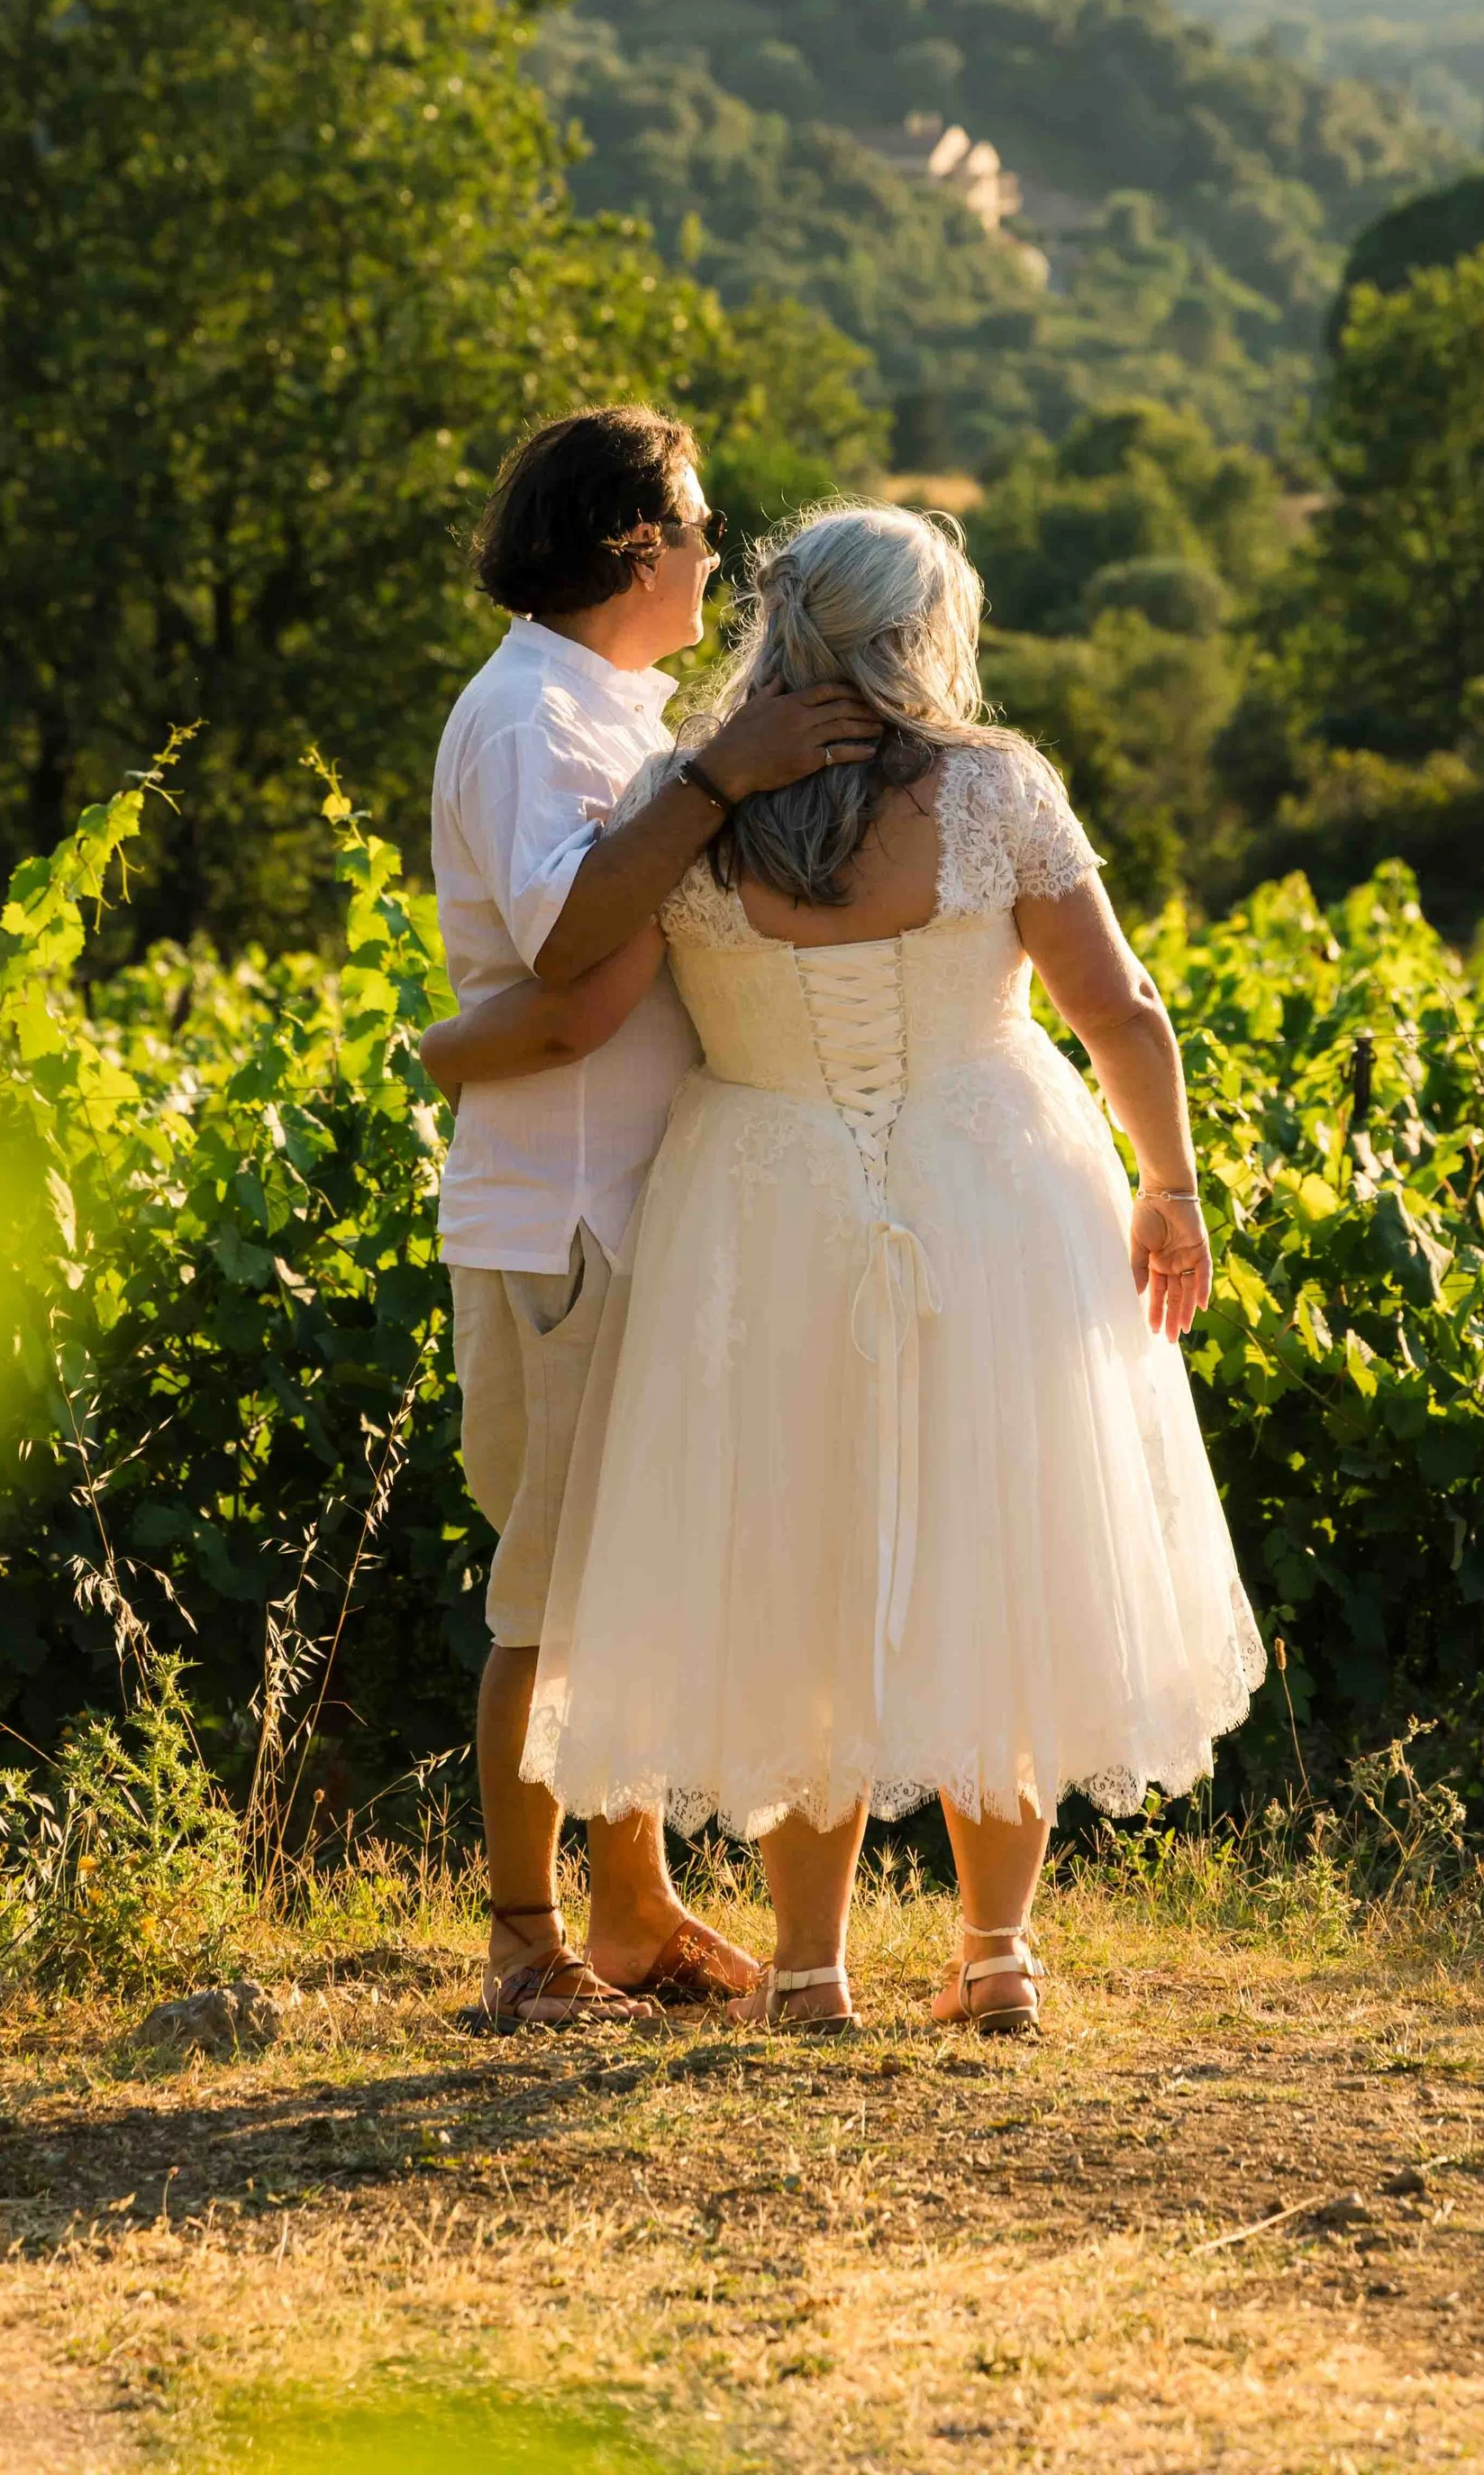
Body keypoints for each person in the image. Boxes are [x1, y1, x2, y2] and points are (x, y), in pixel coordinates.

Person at [424, 500, 1264, 2038]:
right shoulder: (1000, 791)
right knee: (996, 1549)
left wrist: (442, 1051)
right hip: (993, 1185)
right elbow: (1124, 1010)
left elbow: (581, 997)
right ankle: (997, 1953)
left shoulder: (687, 814)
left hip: (762, 1204)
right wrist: (1171, 1184)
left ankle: (810, 1968)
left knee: (792, 1569)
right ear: (923, 632)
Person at [431, 408, 881, 2027]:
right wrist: (715, 775)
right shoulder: (531, 720)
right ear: (630, 546)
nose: (711, 552)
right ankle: (523, 1943)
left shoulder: (598, 702)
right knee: (547, 1593)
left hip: (621, 1204)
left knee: (611, 1574)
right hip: (561, 1213)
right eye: (693, 525)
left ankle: (632, 1912)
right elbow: (568, 956)